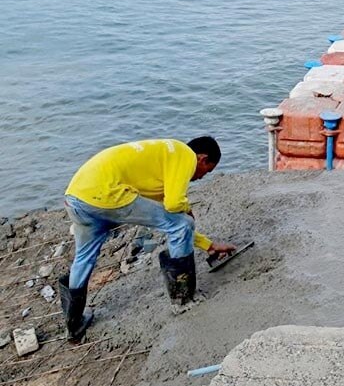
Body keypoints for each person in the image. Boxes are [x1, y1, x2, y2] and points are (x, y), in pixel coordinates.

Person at [59, 137, 236, 342]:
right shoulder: (185, 155)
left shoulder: (159, 167)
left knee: (84, 256)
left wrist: (208, 245)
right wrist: (186, 210)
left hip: (76, 197)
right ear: (203, 159)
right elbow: (173, 206)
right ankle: (183, 299)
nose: (201, 177)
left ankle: (74, 325)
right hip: (106, 192)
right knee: (182, 223)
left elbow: (164, 214)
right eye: (208, 170)